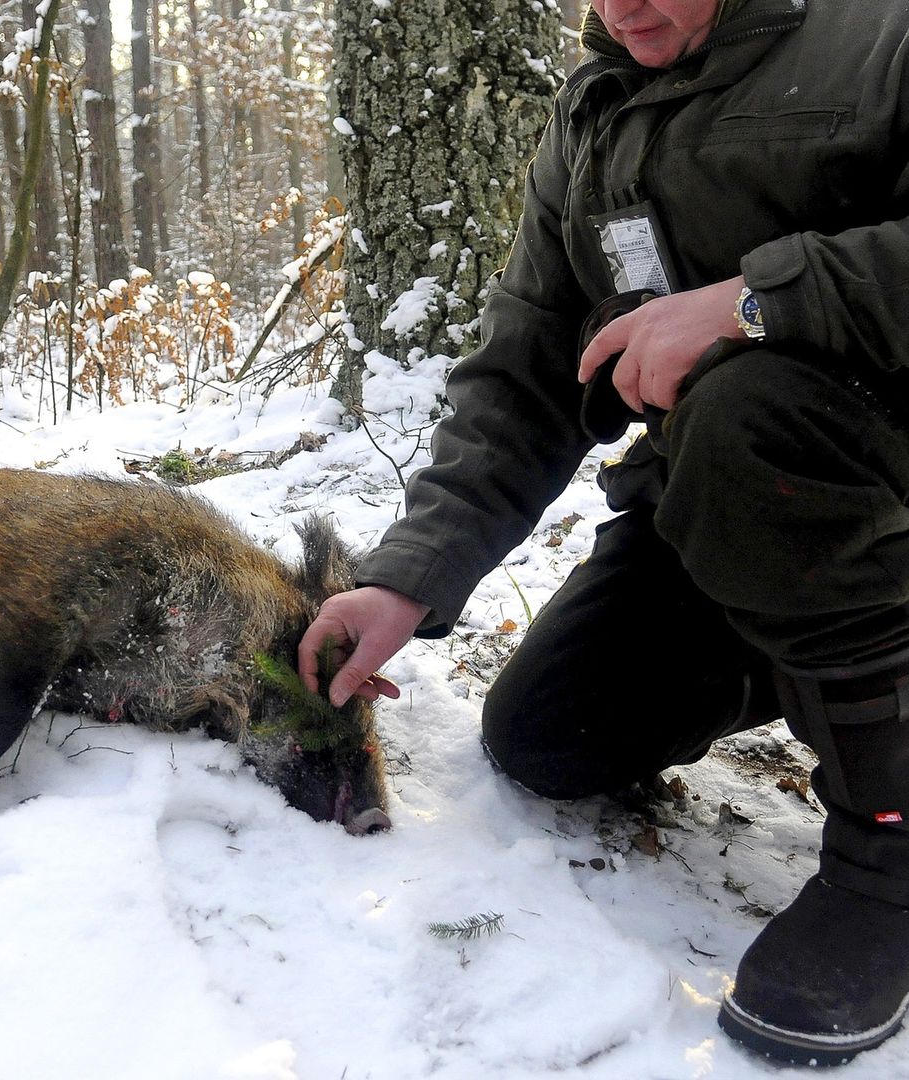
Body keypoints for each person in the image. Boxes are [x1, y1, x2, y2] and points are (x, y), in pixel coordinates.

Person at [300, 0, 909, 1065]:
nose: (619, 4)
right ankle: (833, 660)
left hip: (864, 473)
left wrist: (753, 305)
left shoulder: (879, 36)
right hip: (737, 510)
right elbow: (527, 372)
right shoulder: (595, 118)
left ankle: (887, 853)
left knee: (740, 407)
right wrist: (406, 578)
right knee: (551, 735)